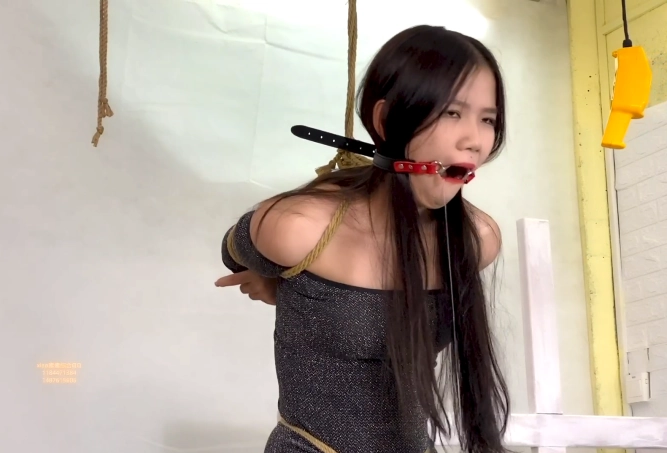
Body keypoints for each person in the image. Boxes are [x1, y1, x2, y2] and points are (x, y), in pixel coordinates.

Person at [215, 24, 510, 453]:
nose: (474, 141)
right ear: (386, 120)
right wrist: (273, 276)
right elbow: (234, 250)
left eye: (488, 120)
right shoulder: (300, 228)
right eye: (451, 113)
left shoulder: (477, 240)